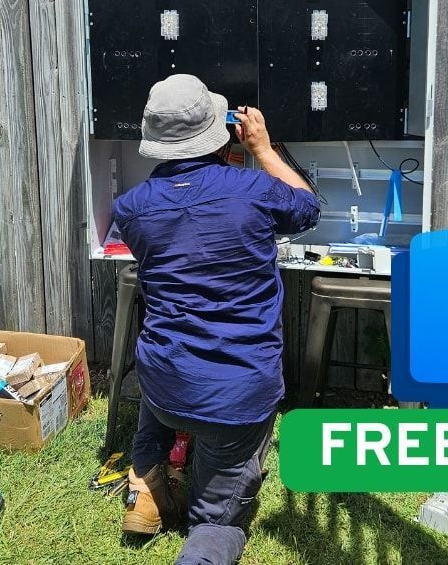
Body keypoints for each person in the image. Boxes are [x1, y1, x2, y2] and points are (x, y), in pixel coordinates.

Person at [112, 73, 320, 565]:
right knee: (216, 522)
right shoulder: (253, 190)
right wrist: (264, 149)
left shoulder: (131, 209)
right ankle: (204, 537)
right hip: (237, 395)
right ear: (221, 130)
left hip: (162, 386)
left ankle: (146, 477)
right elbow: (307, 207)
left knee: (166, 365)